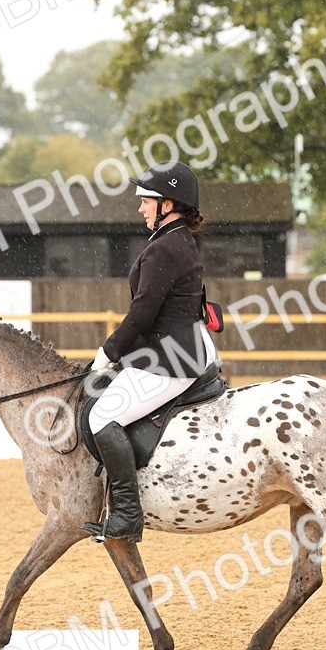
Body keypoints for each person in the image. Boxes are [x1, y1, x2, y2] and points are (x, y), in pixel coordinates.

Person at [82, 161, 220, 543]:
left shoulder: (167, 247)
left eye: (147, 201)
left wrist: (107, 352)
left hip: (172, 359)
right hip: (168, 348)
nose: (140, 207)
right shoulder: (170, 240)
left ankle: (126, 515)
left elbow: (142, 313)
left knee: (102, 417)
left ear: (169, 204)